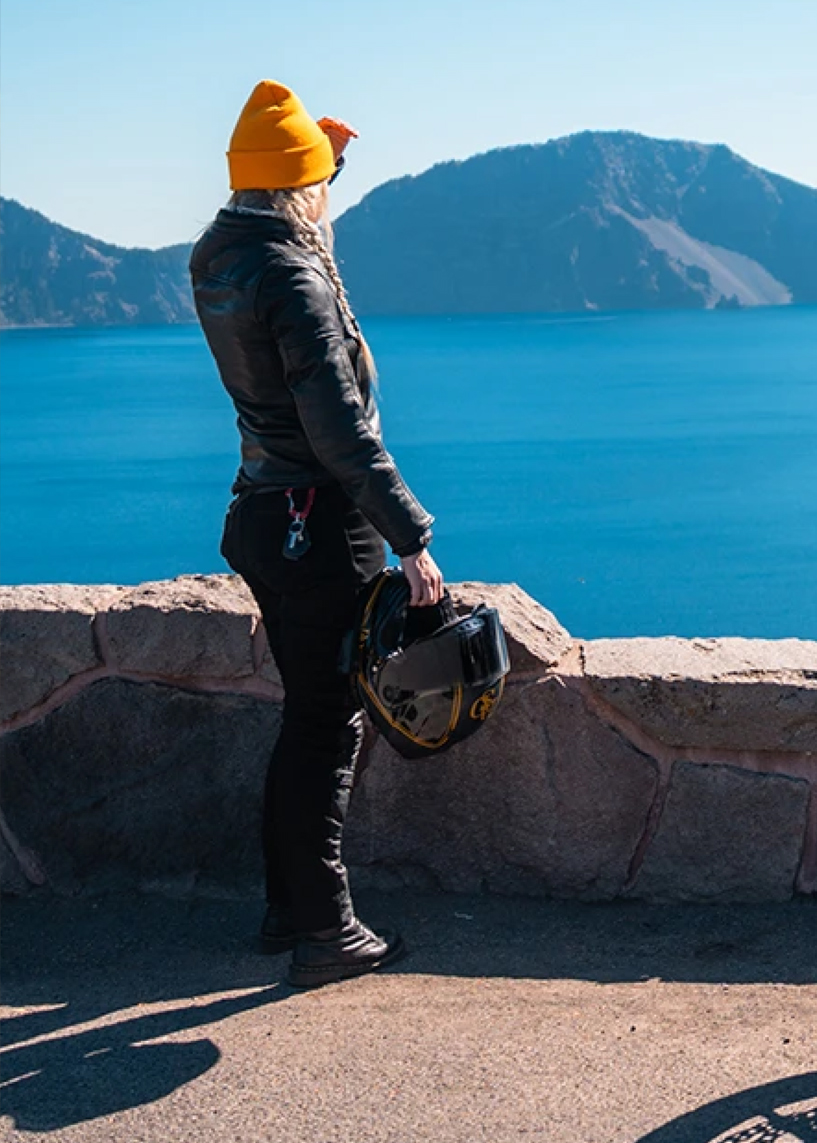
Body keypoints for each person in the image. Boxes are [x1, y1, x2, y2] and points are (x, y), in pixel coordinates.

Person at [191, 79, 442, 987]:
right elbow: (339, 429)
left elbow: (290, 177)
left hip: (261, 513)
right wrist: (411, 536)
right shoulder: (295, 275)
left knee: (303, 718)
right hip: (317, 528)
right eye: (322, 179)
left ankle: (283, 908)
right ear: (301, 192)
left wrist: (325, 145)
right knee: (327, 728)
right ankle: (327, 930)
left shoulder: (223, 257)